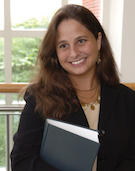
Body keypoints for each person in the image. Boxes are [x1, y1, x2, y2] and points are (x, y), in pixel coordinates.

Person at [10, 4, 135, 171]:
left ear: (98, 41)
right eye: (63, 45)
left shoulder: (127, 99)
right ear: (55, 52)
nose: (74, 53)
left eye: (81, 41)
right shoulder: (39, 97)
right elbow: (22, 160)